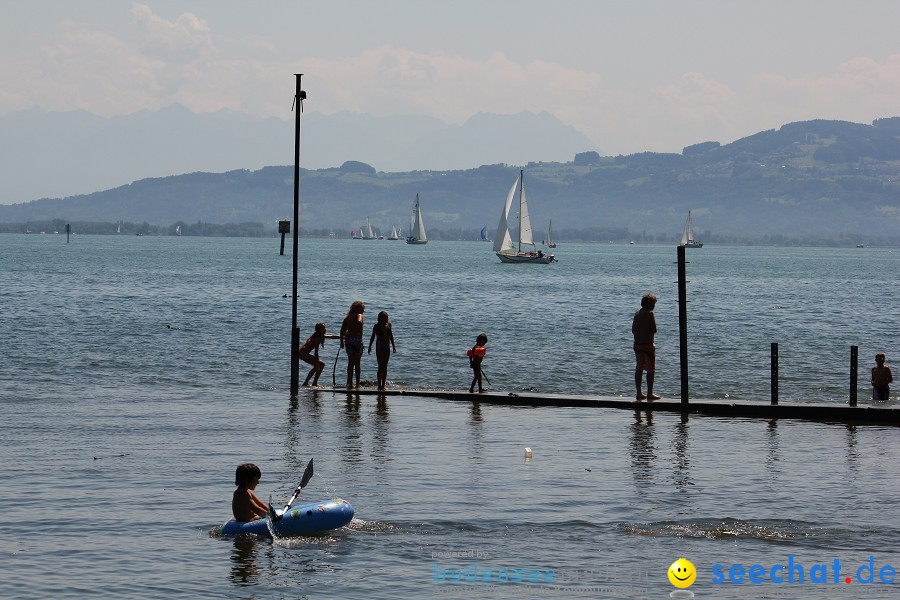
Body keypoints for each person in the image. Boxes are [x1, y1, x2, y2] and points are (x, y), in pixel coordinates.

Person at [632, 293, 660, 400]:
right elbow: (654, 329)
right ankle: (649, 393)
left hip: (637, 345)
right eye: (653, 304)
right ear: (648, 304)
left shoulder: (637, 314)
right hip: (648, 345)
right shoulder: (650, 314)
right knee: (650, 369)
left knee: (639, 368)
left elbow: (633, 330)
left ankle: (639, 393)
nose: (654, 306)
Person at [299, 322, 340, 386]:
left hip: (302, 353)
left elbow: (332, 336)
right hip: (303, 353)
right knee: (319, 365)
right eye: (323, 328)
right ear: (319, 330)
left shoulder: (319, 336)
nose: (325, 329)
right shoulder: (318, 338)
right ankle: (309, 383)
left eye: (325, 328)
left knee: (320, 365)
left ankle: (311, 382)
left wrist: (342, 337)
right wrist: (317, 362)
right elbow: (316, 352)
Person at [368, 311, 396, 390]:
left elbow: (391, 336)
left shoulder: (389, 325)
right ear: (379, 318)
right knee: (380, 366)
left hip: (387, 348)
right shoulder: (376, 326)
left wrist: (393, 346)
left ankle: (383, 385)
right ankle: (379, 385)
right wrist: (370, 346)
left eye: (386, 318)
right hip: (379, 348)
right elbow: (373, 337)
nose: (384, 319)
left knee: (385, 366)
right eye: (383, 318)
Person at [340, 300, 365, 388]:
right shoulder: (359, 315)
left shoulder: (347, 317)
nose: (363, 311)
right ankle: (357, 383)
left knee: (350, 362)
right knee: (357, 363)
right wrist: (358, 322)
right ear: (357, 309)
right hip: (357, 340)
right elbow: (359, 321)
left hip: (348, 340)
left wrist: (341, 342)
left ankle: (349, 382)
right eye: (362, 309)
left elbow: (342, 330)